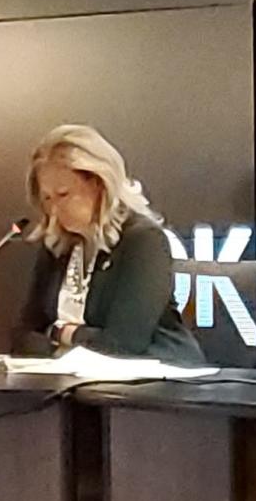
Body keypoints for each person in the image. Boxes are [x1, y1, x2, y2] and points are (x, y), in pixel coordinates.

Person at [12, 124, 204, 364]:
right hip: (71, 383)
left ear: (99, 184)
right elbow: (22, 337)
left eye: (63, 195)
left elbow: (123, 345)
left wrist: (60, 332)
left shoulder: (143, 240)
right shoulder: (57, 246)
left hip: (151, 385)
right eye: (47, 198)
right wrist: (75, 340)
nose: (54, 210)